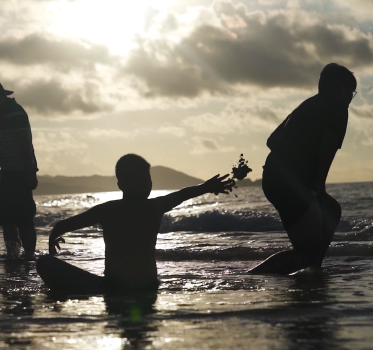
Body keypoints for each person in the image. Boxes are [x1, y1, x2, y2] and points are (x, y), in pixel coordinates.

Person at [36, 154, 234, 294]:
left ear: (120, 185)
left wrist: (53, 238)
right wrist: (206, 187)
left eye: (147, 179)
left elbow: (63, 225)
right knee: (45, 263)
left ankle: (64, 292)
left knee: (44, 262)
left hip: (114, 287)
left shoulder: (108, 210)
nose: (147, 184)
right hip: (147, 286)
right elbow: (183, 194)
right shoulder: (155, 206)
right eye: (143, 180)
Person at [249, 63, 355, 275]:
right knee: (305, 251)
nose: (351, 99)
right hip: (289, 183)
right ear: (339, 90)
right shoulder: (337, 109)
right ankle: (251, 278)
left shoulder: (307, 106)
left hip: (273, 177)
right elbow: (328, 146)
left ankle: (313, 267)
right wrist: (319, 185)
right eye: (351, 93)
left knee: (331, 211)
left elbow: (271, 141)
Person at [0, 79, 38, 259]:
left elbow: (24, 145)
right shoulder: (5, 114)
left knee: (23, 221)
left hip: (19, 175)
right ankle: (15, 258)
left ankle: (27, 257)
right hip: (9, 174)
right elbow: (15, 146)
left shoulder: (14, 113)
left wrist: (30, 174)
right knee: (9, 222)